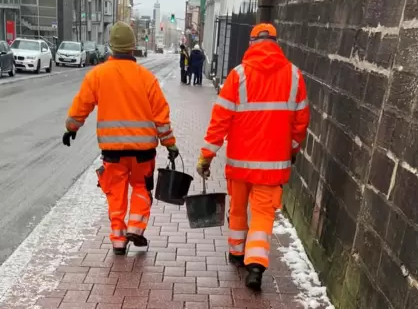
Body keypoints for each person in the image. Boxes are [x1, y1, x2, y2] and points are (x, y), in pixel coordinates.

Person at [195, 23, 310, 290]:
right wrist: (291, 150)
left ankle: (236, 253)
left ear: (251, 43)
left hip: (239, 163)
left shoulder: (238, 76)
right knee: (262, 214)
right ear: (276, 43)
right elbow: (301, 122)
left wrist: (206, 156)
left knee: (237, 209)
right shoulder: (294, 76)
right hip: (272, 166)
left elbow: (220, 121)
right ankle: (256, 264)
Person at [62, 21, 180, 256]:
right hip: (143, 152)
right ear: (133, 46)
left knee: (116, 194)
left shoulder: (97, 75)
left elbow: (81, 105)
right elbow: (161, 115)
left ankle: (118, 240)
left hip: (113, 153)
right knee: (141, 188)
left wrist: (71, 128)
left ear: (111, 46)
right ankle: (136, 227)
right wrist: (170, 143)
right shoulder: (146, 78)